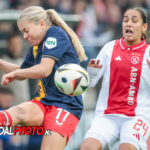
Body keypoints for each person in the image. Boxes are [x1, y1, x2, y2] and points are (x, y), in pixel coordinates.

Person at [0, 6, 87, 150]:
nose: (25, 37)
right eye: (22, 32)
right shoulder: (37, 46)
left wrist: (15, 74)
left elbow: (44, 70)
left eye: (26, 31)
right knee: (17, 112)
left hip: (65, 106)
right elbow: (24, 71)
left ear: (41, 24)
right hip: (43, 103)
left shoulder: (54, 34)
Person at [80, 7, 150, 150]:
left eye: (134, 21)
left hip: (137, 116)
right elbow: (90, 83)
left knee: (126, 148)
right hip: (107, 114)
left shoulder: (148, 53)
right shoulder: (109, 48)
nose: (128, 24)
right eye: (125, 20)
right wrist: (91, 73)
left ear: (144, 27)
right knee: (88, 146)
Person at [0, 32, 30, 105]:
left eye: (18, 44)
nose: (16, 47)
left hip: (25, 103)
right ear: (8, 45)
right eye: (13, 44)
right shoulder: (3, 62)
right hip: (7, 106)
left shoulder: (26, 62)